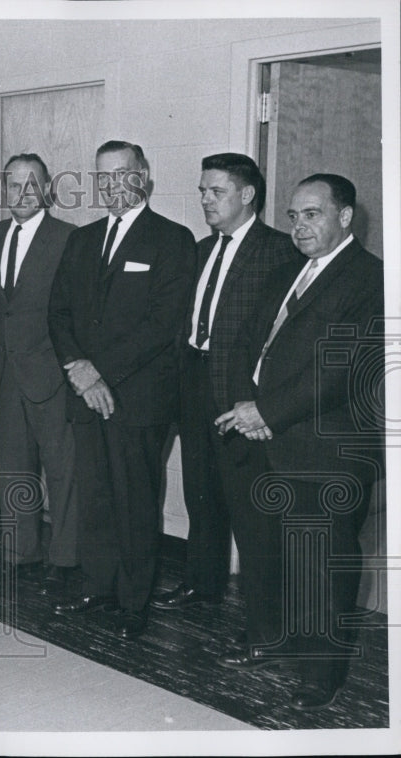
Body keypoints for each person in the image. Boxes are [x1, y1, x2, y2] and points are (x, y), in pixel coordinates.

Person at [215, 174, 383, 711]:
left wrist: (265, 411)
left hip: (325, 449)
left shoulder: (373, 279)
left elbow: (340, 369)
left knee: (320, 565)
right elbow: (247, 343)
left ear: (346, 217)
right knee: (266, 551)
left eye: (312, 214)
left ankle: (320, 673)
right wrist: (249, 409)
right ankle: (270, 640)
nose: (299, 226)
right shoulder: (289, 273)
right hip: (265, 437)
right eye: (292, 216)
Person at [47, 141, 195, 639]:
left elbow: (162, 324)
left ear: (144, 177)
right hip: (86, 394)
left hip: (136, 399)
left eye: (121, 175)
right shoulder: (82, 239)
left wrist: (97, 373)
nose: (111, 187)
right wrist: (79, 372)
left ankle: (134, 602)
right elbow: (59, 313)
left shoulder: (173, 240)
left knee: (134, 500)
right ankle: (99, 586)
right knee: (95, 497)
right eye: (102, 178)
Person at [151, 153, 299, 611]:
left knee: (249, 506)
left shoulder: (278, 250)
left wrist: (260, 398)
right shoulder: (200, 248)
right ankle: (202, 583)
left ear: (247, 194)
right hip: (192, 380)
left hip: (239, 393)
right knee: (200, 492)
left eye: (216, 192)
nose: (205, 200)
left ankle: (261, 612)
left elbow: (283, 334)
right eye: (202, 191)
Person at [0, 153, 79, 598]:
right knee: (14, 471)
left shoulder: (70, 239)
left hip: (51, 376)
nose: (20, 193)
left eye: (31, 184)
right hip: (4, 377)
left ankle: (64, 559)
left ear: (47, 190)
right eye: (11, 184)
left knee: (63, 472)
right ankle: (21, 554)